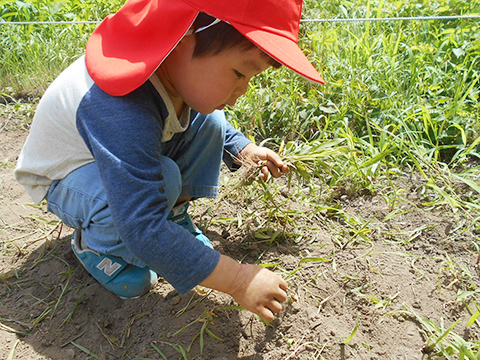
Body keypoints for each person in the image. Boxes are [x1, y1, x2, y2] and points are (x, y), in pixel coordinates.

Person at [14, 0, 324, 323]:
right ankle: (96, 245)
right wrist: (238, 280)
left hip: (113, 155)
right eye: (239, 72)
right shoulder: (123, 105)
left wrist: (241, 149)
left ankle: (173, 219)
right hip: (66, 175)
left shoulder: (167, 66)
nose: (243, 89)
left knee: (212, 122)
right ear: (185, 35)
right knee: (164, 180)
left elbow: (208, 122)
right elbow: (142, 226)